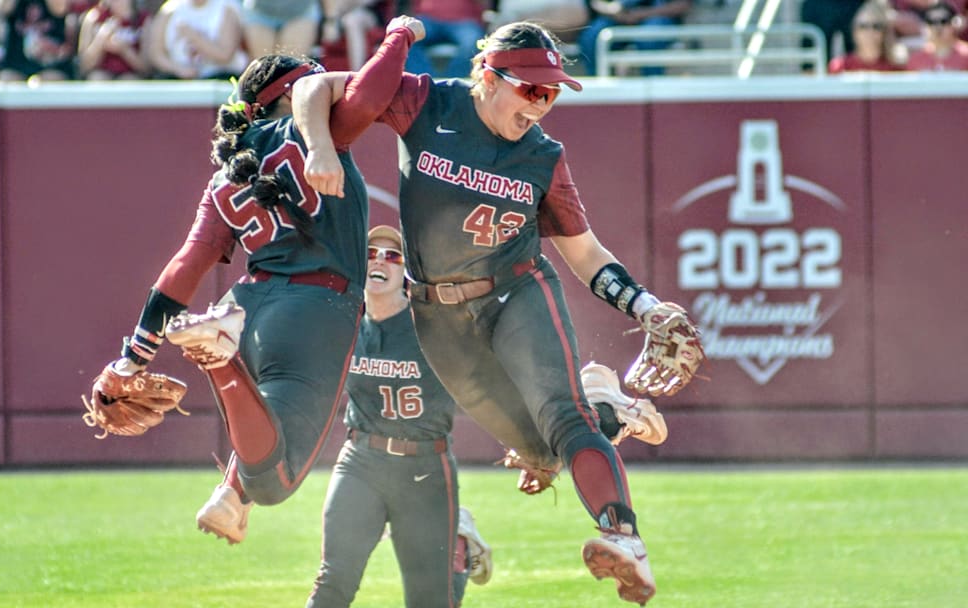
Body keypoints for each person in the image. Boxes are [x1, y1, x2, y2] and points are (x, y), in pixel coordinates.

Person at [294, 19, 702, 606]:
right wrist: (319, 146)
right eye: (531, 89)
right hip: (437, 312)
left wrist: (643, 304)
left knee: (564, 421)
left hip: (515, 292)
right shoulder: (426, 100)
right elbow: (317, 88)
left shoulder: (542, 156)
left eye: (552, 92)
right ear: (488, 76)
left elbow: (584, 254)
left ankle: (624, 537)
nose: (541, 103)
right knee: (540, 452)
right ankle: (609, 405)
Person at [86, 17, 424, 547]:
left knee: (266, 425)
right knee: (279, 478)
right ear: (291, 96)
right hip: (316, 308)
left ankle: (229, 494)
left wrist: (133, 356)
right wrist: (399, 35)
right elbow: (374, 92)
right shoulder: (316, 132)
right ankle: (221, 365)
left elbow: (186, 267)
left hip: (251, 307)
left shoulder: (226, 176)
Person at [306, 224, 492, 607]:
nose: (379, 261)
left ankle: (456, 557)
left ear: (406, 274)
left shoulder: (433, 326)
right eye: (372, 253)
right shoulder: (344, 323)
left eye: (393, 256)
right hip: (361, 461)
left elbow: (489, 377)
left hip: (425, 465)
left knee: (430, 600)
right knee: (334, 580)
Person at [577, 0, 692, 76]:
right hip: (616, 17)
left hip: (659, 16)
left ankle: (654, 95)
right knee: (592, 37)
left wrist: (640, 14)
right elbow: (596, 2)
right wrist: (612, 11)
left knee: (648, 38)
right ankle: (602, 95)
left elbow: (682, 5)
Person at [144, 0, 245, 80]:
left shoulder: (226, 8)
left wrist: (194, 37)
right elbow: (156, 53)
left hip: (219, 76)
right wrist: (179, 70)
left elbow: (225, 55)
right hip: (178, 78)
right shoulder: (169, 10)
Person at [0, 0, 77, 82]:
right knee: (5, 80)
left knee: (47, 82)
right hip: (16, 62)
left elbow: (60, 8)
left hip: (52, 65)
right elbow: (1, 8)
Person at [403, 0, 486, 78]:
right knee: (407, 36)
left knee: (472, 42)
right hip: (428, 19)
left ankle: (454, 84)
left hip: (464, 21)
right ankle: (425, 84)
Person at [77, 0, 153, 79]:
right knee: (97, 78)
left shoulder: (143, 19)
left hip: (131, 75)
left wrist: (125, 50)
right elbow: (83, 66)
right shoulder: (94, 17)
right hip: (102, 74)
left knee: (129, 82)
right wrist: (100, 40)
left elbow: (146, 69)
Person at [828, 0, 907, 72]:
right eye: (863, 26)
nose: (869, 32)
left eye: (876, 26)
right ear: (854, 31)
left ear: (885, 31)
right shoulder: (840, 67)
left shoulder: (896, 67)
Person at [239, 0, 321, 62]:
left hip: (301, 10)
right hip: (259, 10)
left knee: (291, 67)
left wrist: (330, 21)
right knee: (263, 68)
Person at [905, 0, 968, 69]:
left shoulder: (966, 56)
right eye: (932, 22)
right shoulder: (916, 60)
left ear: (954, 25)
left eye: (944, 21)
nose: (938, 27)